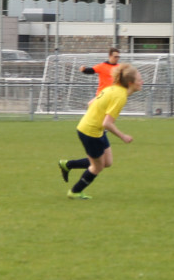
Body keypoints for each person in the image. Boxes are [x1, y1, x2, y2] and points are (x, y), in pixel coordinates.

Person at [58, 62, 142, 199]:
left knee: (107, 162)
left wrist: (95, 116)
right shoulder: (120, 96)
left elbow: (90, 103)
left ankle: (67, 164)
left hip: (96, 129)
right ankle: (75, 191)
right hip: (90, 132)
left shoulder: (113, 88)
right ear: (131, 82)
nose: (142, 82)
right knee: (97, 167)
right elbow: (107, 123)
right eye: (140, 79)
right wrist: (123, 136)